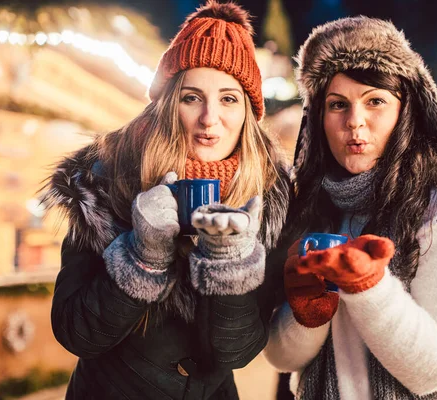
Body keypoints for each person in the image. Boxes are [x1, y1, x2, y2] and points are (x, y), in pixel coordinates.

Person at [263, 16, 437, 399]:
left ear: (407, 111)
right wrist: (307, 314)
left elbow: (436, 370)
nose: (355, 122)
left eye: (375, 101)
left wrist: (367, 286)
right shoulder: (316, 203)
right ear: (317, 119)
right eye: (338, 105)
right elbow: (282, 358)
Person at [42, 2, 289, 399]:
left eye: (228, 99)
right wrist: (141, 257)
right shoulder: (108, 180)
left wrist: (230, 263)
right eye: (192, 97)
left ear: (248, 111)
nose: (210, 118)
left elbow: (239, 351)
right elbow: (76, 333)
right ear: (168, 103)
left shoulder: (268, 196)